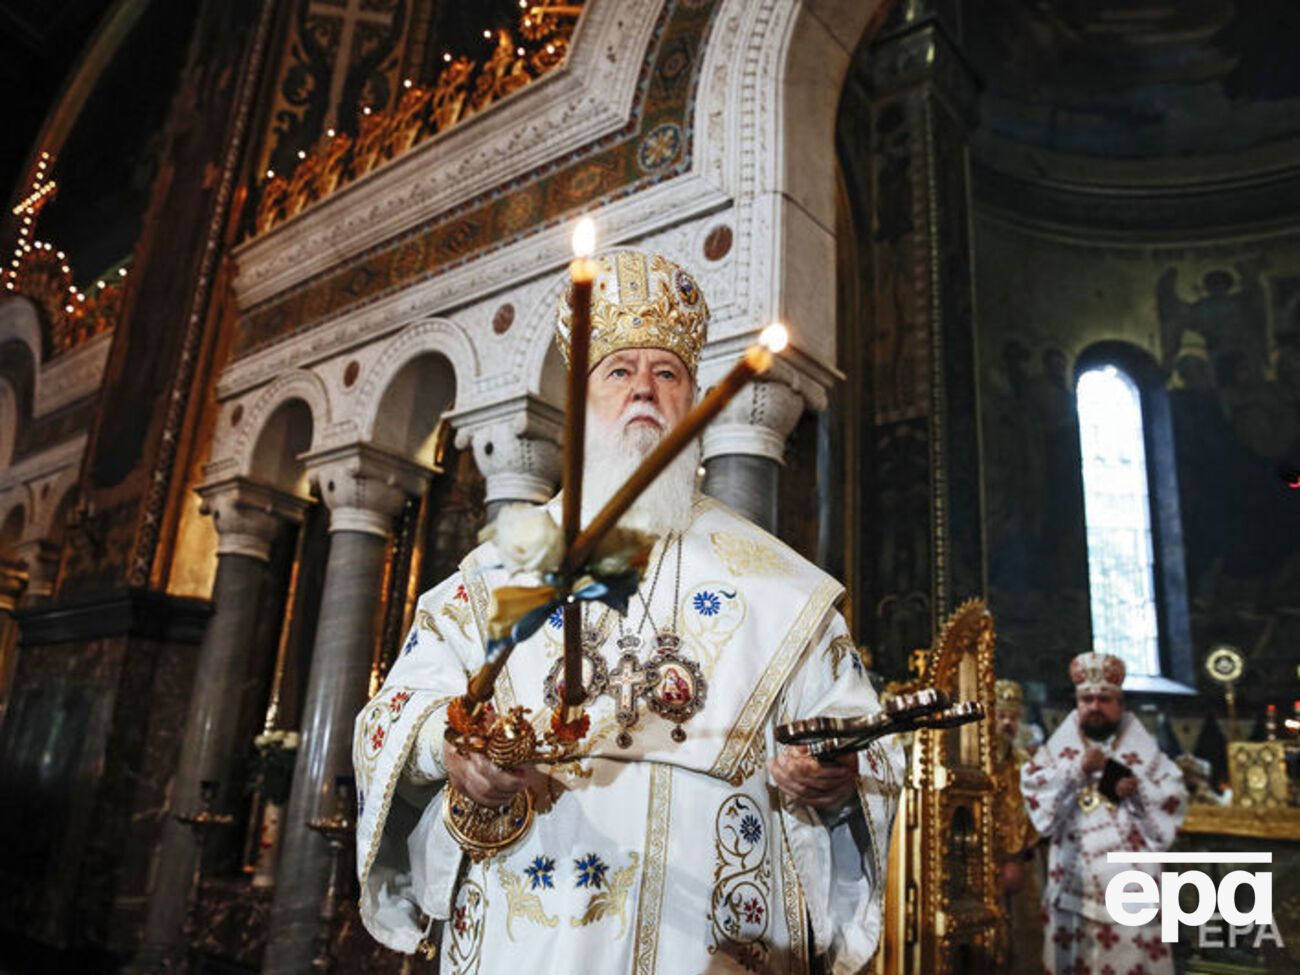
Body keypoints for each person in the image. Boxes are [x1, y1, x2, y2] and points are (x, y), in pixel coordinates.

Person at [352, 250, 904, 974]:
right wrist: (447, 748)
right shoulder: (497, 574)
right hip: (532, 942)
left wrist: (833, 774)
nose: (644, 385)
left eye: (667, 372)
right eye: (618, 370)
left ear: (695, 399)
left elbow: (865, 743)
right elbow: (390, 713)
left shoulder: (784, 591)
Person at [1021, 653, 1187, 975]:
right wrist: (1077, 770)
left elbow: (1172, 797)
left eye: (1104, 698)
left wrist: (1137, 791)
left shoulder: (1145, 751)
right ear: (1077, 702)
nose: (1095, 706)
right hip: (1073, 892)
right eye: (1087, 699)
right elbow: (1036, 797)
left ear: (1119, 703)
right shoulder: (1057, 752)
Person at [990, 679, 1041, 973]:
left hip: (1017, 860)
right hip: (977, 859)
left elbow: (1030, 811)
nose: (1007, 723)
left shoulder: (1024, 764)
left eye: (1013, 717)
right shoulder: (974, 759)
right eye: (1001, 715)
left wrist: (1015, 856)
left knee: (1021, 938)